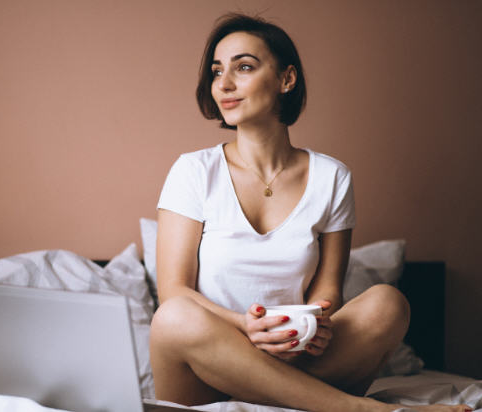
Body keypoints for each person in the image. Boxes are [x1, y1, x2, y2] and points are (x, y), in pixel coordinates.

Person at [149, 13, 472, 412]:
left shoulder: (332, 177)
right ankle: (364, 409)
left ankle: (286, 395)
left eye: (244, 67)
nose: (224, 84)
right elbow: (174, 291)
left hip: (297, 358)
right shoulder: (194, 171)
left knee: (389, 303)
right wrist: (247, 327)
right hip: (204, 373)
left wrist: (318, 323)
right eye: (217, 72)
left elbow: (327, 290)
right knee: (174, 317)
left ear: (287, 79)